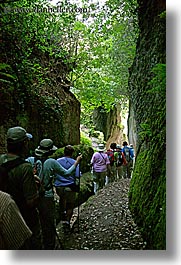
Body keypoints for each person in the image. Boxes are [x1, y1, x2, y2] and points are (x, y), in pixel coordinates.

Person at [34, 139, 82, 249]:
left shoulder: (32, 160)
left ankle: (39, 244)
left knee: (39, 219)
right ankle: (51, 244)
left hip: (37, 194)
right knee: (51, 219)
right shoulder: (51, 162)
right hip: (48, 194)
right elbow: (68, 173)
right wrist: (77, 162)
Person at [0, 126, 42, 249]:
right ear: (24, 144)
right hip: (22, 216)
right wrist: (39, 189)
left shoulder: (1, 159)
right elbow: (31, 202)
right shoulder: (25, 167)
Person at [54, 145, 82, 232]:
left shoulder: (57, 161)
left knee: (62, 202)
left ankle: (62, 219)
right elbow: (77, 175)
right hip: (70, 187)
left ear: (64, 152)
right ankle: (67, 222)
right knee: (70, 205)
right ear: (72, 153)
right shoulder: (75, 162)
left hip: (59, 187)